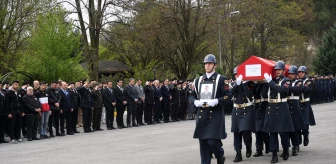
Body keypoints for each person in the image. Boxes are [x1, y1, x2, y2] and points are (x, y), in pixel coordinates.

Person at [189, 54, 230, 164]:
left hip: (215, 114)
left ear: (214, 65)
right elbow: (191, 95)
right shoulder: (198, 80)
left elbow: (228, 96)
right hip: (202, 114)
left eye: (210, 63)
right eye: (206, 63)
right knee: (203, 145)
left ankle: (220, 155)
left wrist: (217, 101)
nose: (207, 65)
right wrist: (195, 101)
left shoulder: (221, 79)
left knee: (212, 142)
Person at [263, 61, 295, 163]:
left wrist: (269, 82)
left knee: (283, 132)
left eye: (279, 70)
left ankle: (286, 150)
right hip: (271, 107)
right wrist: (263, 83)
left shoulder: (287, 81)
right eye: (276, 70)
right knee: (272, 133)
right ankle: (274, 154)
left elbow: (282, 90)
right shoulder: (270, 81)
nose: (277, 71)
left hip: (282, 107)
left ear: (283, 70)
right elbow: (263, 94)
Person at [231, 68, 255, 162]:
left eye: (239, 74)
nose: (237, 76)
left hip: (246, 109)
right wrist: (237, 84)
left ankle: (248, 146)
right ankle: (238, 153)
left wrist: (244, 83)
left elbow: (249, 94)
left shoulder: (249, 83)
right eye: (236, 74)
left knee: (245, 131)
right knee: (236, 133)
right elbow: (230, 94)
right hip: (236, 109)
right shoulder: (233, 84)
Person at [286, 66, 307, 156]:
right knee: (287, 128)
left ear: (296, 75)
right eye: (289, 74)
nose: (291, 75)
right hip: (286, 105)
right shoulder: (285, 82)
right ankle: (287, 147)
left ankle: (296, 146)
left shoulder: (298, 82)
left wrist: (286, 87)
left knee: (295, 128)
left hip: (295, 105)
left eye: (293, 74)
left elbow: (296, 89)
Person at [297, 66, 316, 147]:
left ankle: (305, 135)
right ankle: (298, 140)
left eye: (302, 72)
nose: (300, 73)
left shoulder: (308, 81)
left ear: (305, 73)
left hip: (305, 103)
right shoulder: (297, 81)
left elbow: (306, 90)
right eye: (299, 72)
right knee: (297, 123)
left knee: (305, 123)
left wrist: (298, 86)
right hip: (297, 103)